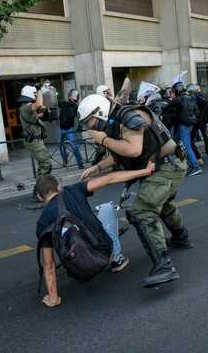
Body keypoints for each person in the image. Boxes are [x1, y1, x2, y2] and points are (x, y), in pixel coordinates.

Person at [77, 94, 192, 288]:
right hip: (165, 164)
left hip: (168, 165)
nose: (89, 127)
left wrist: (104, 140)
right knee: (163, 205)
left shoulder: (127, 117)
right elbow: (119, 154)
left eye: (90, 121)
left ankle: (164, 266)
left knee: (142, 210)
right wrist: (97, 168)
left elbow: (133, 150)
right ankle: (182, 237)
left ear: (100, 113)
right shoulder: (115, 122)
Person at [36, 164, 154, 308]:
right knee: (106, 207)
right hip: (104, 253)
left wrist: (53, 298)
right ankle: (116, 259)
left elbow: (49, 265)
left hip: (79, 268)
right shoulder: (74, 189)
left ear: (40, 197)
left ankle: (82, 266)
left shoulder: (42, 223)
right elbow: (111, 178)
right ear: (59, 187)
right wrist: (144, 170)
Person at [18, 84, 53, 200]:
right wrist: (39, 90)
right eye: (36, 94)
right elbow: (38, 104)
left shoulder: (27, 109)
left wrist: (45, 114)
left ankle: (38, 191)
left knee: (42, 166)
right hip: (34, 141)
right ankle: (38, 192)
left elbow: (36, 116)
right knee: (46, 165)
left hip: (36, 140)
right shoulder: (26, 107)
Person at [165, 82, 202, 176]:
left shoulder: (178, 99)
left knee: (186, 146)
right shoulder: (192, 97)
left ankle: (196, 166)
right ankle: (182, 163)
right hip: (190, 124)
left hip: (184, 125)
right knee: (175, 143)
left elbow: (166, 105)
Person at [58, 89, 85, 169]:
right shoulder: (63, 104)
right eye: (71, 99)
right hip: (61, 128)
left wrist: (80, 126)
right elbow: (55, 103)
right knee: (60, 145)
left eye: (74, 99)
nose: (72, 100)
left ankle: (80, 163)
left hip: (69, 129)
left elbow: (79, 117)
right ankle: (65, 155)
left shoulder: (76, 107)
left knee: (74, 146)